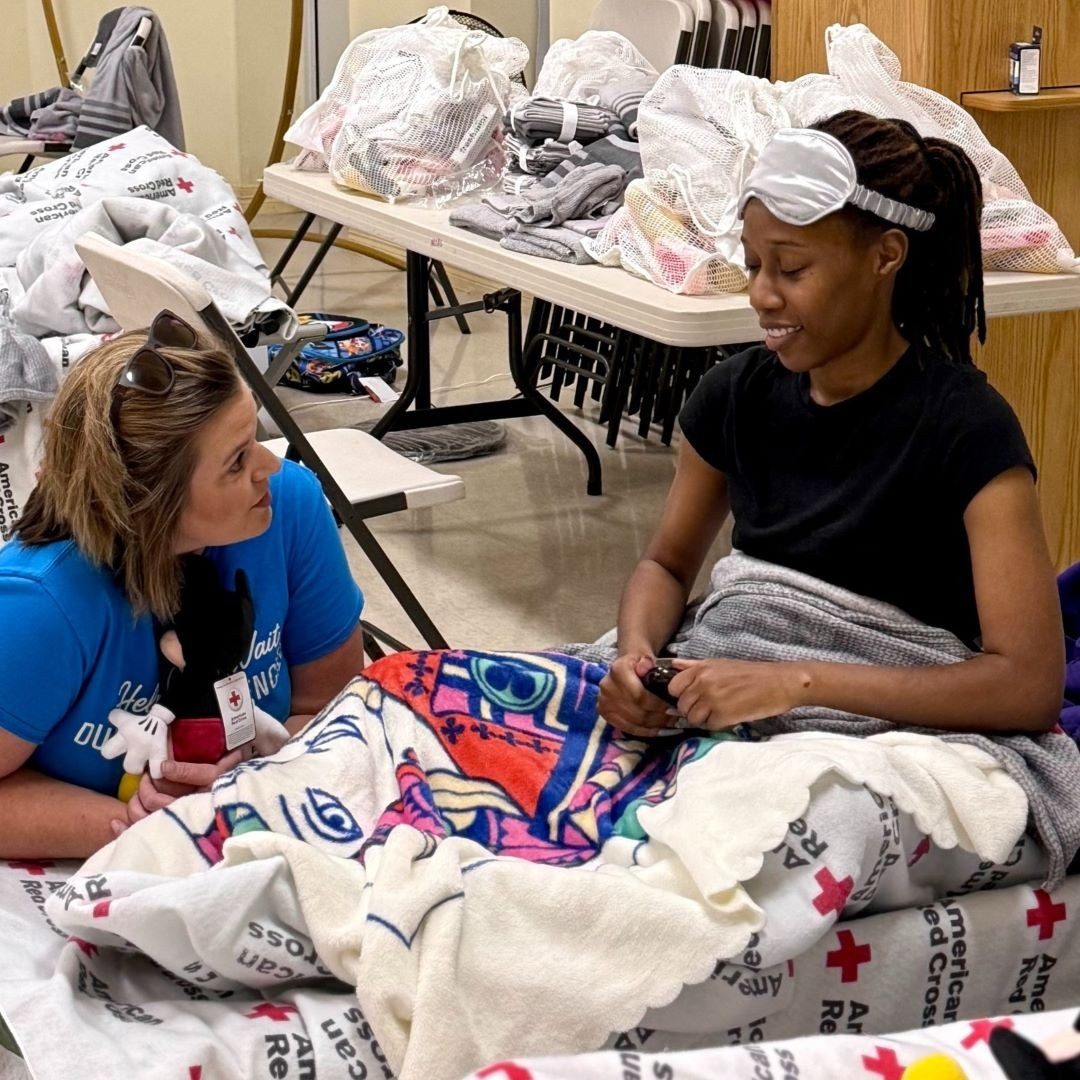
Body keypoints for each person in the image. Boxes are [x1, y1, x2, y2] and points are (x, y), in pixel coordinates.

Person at [600, 111, 1065, 739]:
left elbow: (1028, 687)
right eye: (754, 264)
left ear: (885, 257)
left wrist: (793, 682)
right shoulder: (733, 395)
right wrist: (636, 659)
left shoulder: (967, 430)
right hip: (729, 667)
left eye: (791, 270)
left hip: (880, 716)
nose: (762, 294)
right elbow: (665, 566)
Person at [0, 314, 366, 858]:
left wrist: (256, 781)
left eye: (256, 437)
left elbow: (330, 707)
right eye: (237, 461)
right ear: (149, 503)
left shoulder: (288, 505)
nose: (269, 465)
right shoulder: (40, 603)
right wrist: (143, 826)